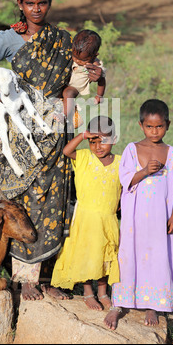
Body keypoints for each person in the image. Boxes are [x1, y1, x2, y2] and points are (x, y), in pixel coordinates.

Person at [0, 0, 103, 301]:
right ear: (20, 4)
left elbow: (78, 80)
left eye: (41, 3)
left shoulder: (62, 40)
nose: (36, 9)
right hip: (21, 135)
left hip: (56, 134)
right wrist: (11, 104)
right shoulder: (7, 38)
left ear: (49, 4)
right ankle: (24, 280)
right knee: (25, 201)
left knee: (55, 202)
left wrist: (99, 77)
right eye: (29, 3)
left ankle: (48, 278)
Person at [104, 99, 173, 330]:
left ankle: (154, 304)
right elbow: (126, 180)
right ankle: (118, 303)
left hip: (161, 218)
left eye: (159, 126)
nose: (154, 131)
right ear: (141, 125)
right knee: (129, 255)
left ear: (168, 125)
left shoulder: (172, 153)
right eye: (149, 127)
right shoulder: (132, 149)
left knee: (159, 256)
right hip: (135, 219)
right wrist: (144, 171)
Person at [51, 116, 121, 311]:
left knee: (105, 256)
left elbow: (125, 186)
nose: (98, 146)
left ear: (114, 139)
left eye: (103, 141)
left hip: (107, 219)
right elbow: (66, 150)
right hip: (85, 219)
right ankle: (88, 293)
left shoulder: (121, 162)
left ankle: (103, 293)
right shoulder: (83, 157)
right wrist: (82, 135)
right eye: (93, 141)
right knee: (86, 255)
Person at [62, 29, 106, 125]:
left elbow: (102, 80)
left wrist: (99, 95)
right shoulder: (71, 53)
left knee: (68, 93)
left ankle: (64, 116)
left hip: (75, 87)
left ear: (94, 55)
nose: (78, 61)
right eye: (75, 57)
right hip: (63, 81)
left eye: (83, 60)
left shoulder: (95, 66)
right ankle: (71, 109)